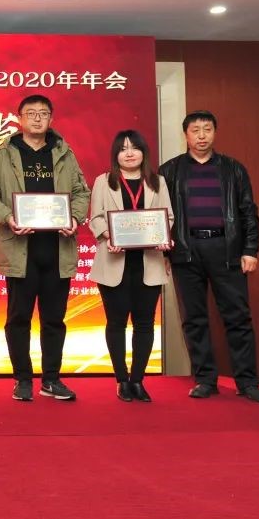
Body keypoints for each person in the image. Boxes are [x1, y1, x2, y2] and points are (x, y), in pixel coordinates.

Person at [0, 94, 90, 402]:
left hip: (57, 249)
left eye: (43, 113)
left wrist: (75, 217)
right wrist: (8, 217)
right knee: (18, 319)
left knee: (54, 319)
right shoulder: (5, 153)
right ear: (20, 119)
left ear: (51, 119)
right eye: (31, 113)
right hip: (19, 250)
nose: (37, 118)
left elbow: (82, 192)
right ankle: (23, 379)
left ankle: (51, 379)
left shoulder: (64, 152)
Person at [159, 110, 259, 403]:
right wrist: (165, 251)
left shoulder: (234, 169)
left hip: (226, 250)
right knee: (194, 319)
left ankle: (248, 382)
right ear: (185, 135)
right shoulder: (168, 171)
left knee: (238, 317)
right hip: (186, 251)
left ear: (214, 133)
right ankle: (205, 380)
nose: (201, 136)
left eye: (207, 129)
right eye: (195, 130)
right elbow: (160, 215)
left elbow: (249, 212)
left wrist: (250, 250)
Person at [88, 130, 173, 402]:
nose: (129, 153)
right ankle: (122, 380)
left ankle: (138, 380)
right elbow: (95, 218)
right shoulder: (104, 181)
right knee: (116, 323)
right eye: (123, 148)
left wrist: (162, 236)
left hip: (149, 263)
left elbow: (168, 217)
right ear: (116, 154)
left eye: (134, 148)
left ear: (143, 152)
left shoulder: (157, 181)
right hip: (114, 263)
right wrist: (108, 235)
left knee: (145, 324)